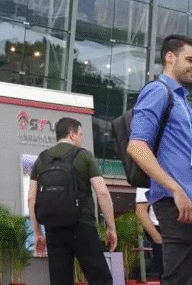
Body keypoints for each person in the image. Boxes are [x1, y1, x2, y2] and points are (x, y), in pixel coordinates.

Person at [127, 35, 192, 285]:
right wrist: (175, 188)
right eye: (190, 60)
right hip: (176, 203)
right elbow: (137, 146)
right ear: (169, 58)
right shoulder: (158, 91)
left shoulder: (182, 100)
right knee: (179, 280)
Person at [28, 118, 117, 285]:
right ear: (72, 134)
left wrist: (38, 232)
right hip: (82, 225)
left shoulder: (42, 159)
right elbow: (102, 193)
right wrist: (111, 227)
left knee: (60, 281)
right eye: (81, 134)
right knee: (100, 278)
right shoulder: (83, 156)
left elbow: (31, 198)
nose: (81, 138)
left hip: (53, 228)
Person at [136, 188, 163, 278]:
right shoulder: (147, 177)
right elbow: (141, 211)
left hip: (189, 228)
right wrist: (157, 237)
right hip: (162, 229)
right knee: (168, 273)